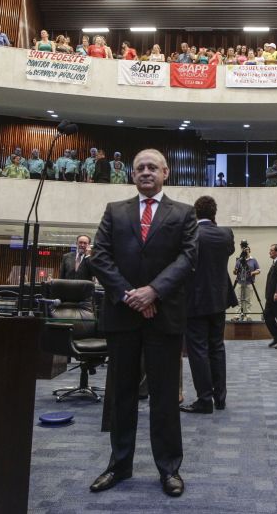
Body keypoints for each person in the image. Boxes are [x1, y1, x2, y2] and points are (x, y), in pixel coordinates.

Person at [88, 149, 197, 497]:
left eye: (152, 167)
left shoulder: (184, 213)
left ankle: (169, 469)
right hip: (123, 315)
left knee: (164, 397)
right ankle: (119, 466)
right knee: (121, 395)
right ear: (132, 175)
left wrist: (153, 292)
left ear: (165, 172)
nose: (146, 172)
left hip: (163, 316)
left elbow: (188, 258)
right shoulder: (114, 211)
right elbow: (100, 256)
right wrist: (129, 295)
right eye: (140, 168)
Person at [181, 196, 235, 414]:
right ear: (214, 212)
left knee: (198, 350)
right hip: (219, 299)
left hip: (194, 300)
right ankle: (220, 398)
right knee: (217, 347)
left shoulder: (191, 234)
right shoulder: (226, 234)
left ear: (195, 213)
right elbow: (229, 253)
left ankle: (204, 399)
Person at [233, 246, 260, 320]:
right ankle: (237, 316)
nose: (245, 250)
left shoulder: (253, 260)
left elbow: (258, 270)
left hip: (249, 282)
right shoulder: (239, 260)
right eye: (243, 249)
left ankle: (248, 316)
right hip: (239, 282)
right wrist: (235, 271)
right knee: (238, 299)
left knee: (248, 300)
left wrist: (252, 272)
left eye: (247, 249)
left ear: (249, 250)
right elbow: (235, 271)